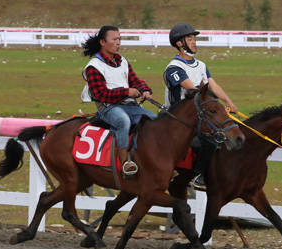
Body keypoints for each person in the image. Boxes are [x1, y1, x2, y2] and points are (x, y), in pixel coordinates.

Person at [164, 23, 237, 190]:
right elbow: (193, 90)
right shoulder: (174, 68)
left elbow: (213, 86)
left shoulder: (201, 65)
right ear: (179, 43)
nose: (194, 41)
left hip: (199, 114)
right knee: (211, 139)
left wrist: (228, 101)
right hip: (178, 118)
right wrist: (214, 104)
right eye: (190, 39)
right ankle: (198, 176)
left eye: (194, 38)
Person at [80, 25, 156, 176]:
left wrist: (145, 90)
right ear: (102, 42)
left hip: (128, 106)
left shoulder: (122, 62)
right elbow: (101, 94)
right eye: (114, 39)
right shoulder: (93, 67)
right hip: (107, 108)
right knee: (123, 121)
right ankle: (125, 162)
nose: (118, 43)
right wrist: (126, 91)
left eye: (119, 39)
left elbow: (135, 80)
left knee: (155, 119)